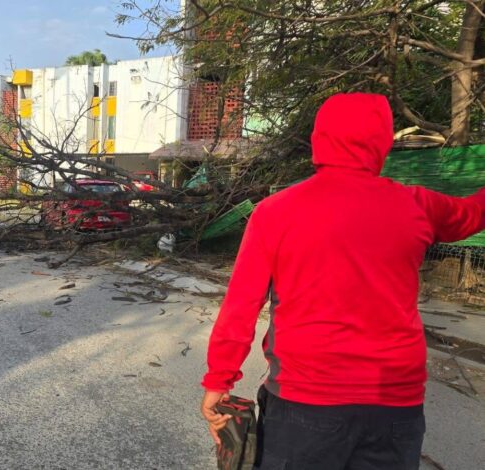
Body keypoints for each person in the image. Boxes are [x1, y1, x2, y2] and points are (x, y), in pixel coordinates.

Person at [200, 93, 485, 469]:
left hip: (303, 401)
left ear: (320, 138)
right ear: (383, 141)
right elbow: (472, 213)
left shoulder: (275, 212)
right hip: (395, 403)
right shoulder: (417, 206)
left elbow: (240, 306)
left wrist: (219, 380)